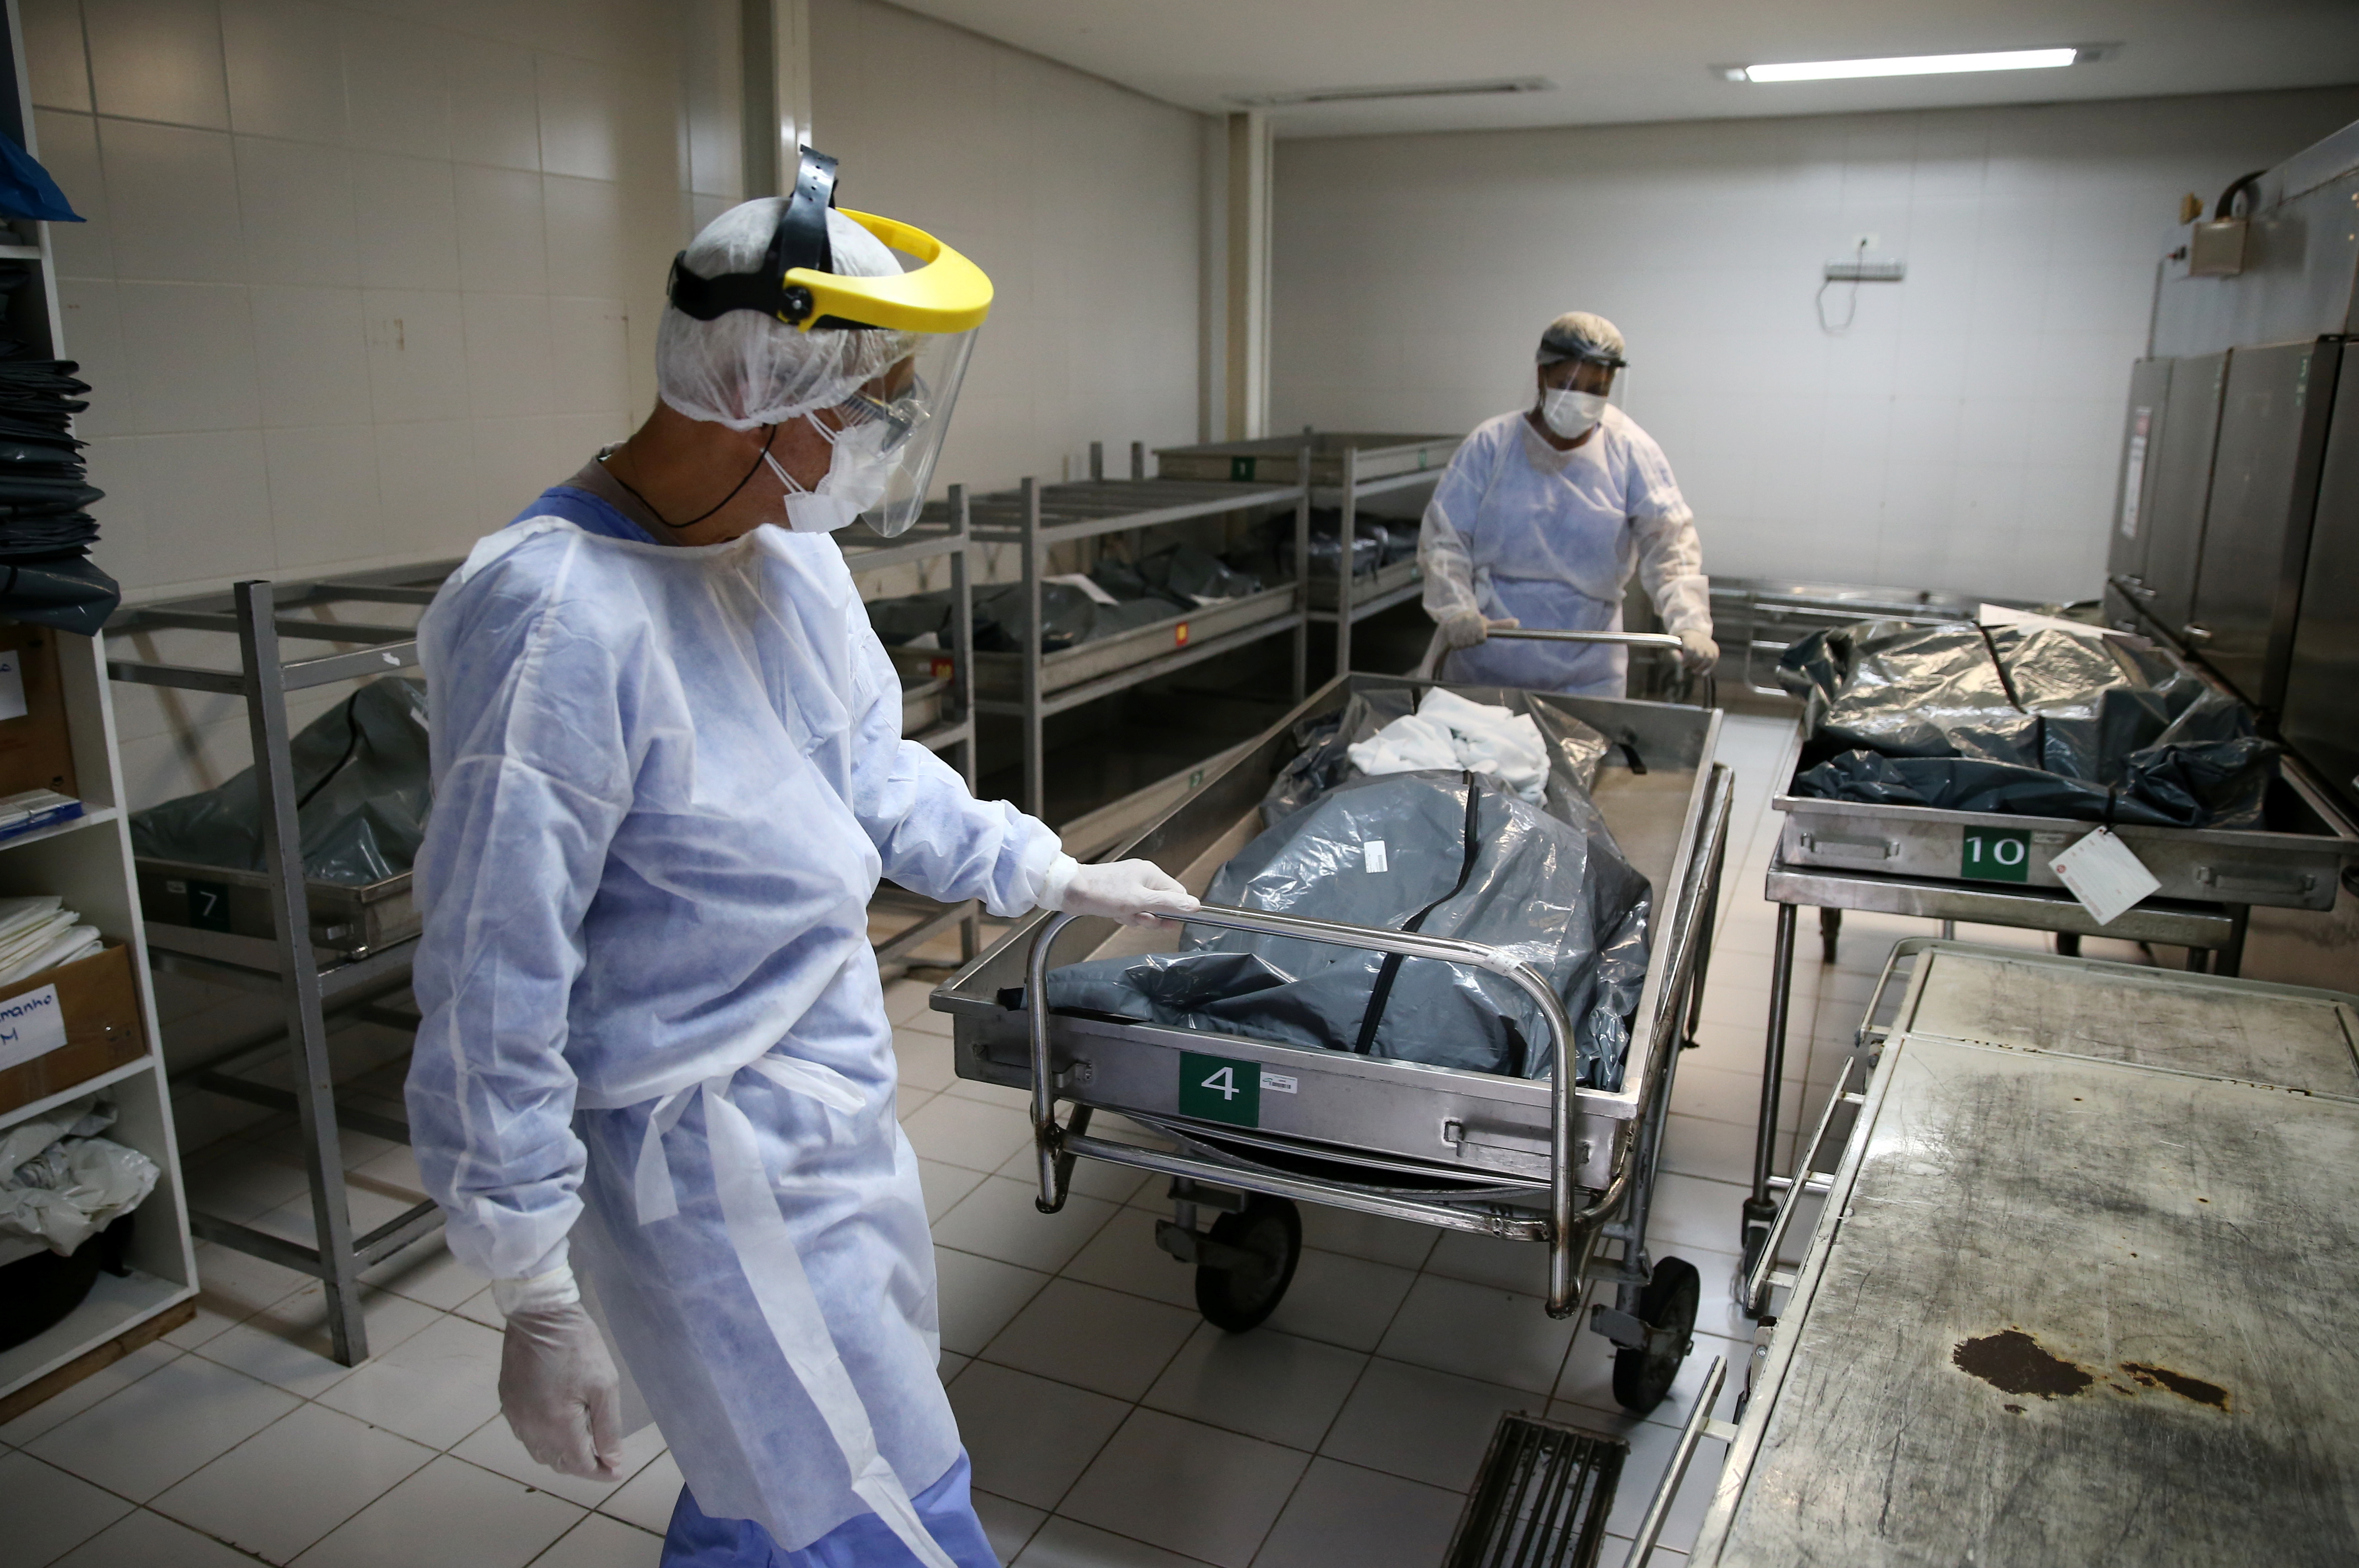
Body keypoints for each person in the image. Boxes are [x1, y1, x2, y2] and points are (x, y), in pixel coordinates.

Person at [405, 150, 1197, 1568]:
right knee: (876, 1502)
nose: (892, 428)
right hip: (702, 1164)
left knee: (761, 1481)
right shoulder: (549, 620)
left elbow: (869, 772)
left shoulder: (777, 550)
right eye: (872, 398)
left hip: (827, 1095)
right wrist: (528, 1277)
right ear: (755, 395)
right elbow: (490, 970)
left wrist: (1044, 869)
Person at [1418, 311, 1717, 696]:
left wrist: (1690, 622)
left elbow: (1669, 544)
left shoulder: (1630, 451)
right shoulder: (1492, 445)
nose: (1583, 400)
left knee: (1582, 754)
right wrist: (1456, 609)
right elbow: (1445, 538)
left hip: (1588, 666)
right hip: (1490, 654)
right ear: (1542, 376)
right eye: (1570, 384)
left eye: (1597, 389)